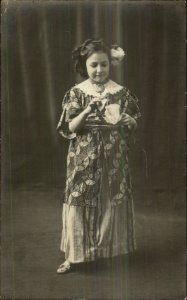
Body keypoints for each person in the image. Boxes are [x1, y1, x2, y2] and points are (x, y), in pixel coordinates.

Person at [56, 39, 141, 274]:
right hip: (83, 157)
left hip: (113, 157)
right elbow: (70, 127)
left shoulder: (121, 92)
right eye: (94, 65)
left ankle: (111, 252)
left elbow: (130, 125)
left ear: (111, 64)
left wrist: (130, 121)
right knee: (80, 200)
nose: (99, 70)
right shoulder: (77, 93)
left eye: (104, 65)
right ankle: (74, 255)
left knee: (111, 200)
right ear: (85, 65)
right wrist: (86, 110)